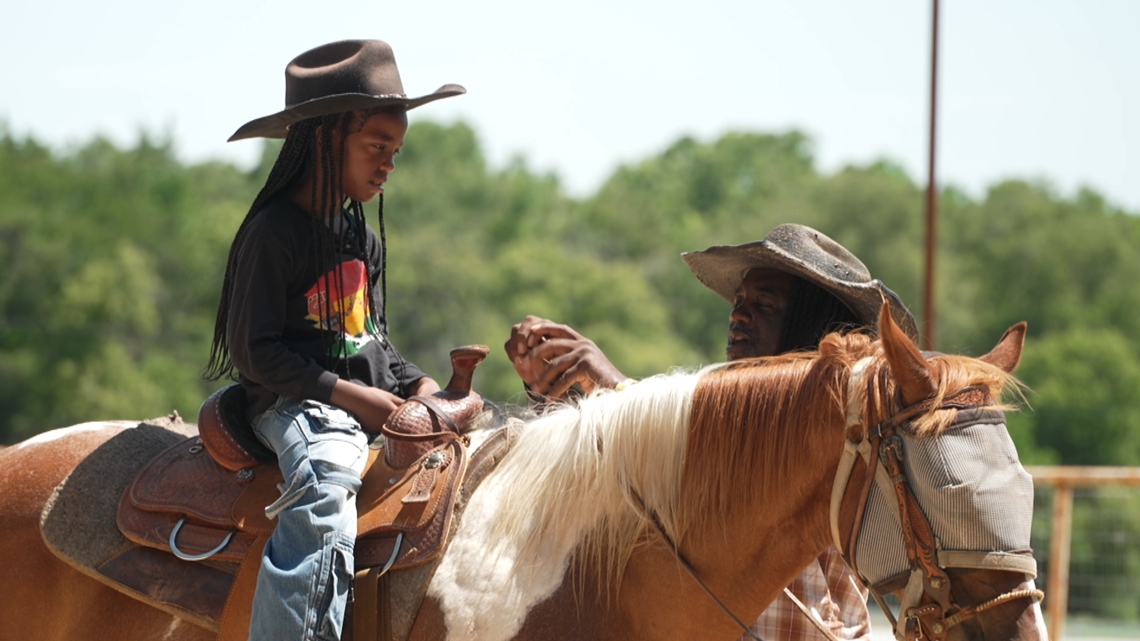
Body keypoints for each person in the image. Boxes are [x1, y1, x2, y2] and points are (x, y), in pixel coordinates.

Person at [505, 223, 919, 641]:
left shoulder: (822, 432)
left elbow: (694, 451)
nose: (739, 314)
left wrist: (612, 383)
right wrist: (549, 391)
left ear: (811, 324)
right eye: (740, 301)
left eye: (765, 302)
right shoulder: (743, 421)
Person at [202, 39, 464, 641]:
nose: (389, 165)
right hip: (289, 405)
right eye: (378, 146)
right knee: (325, 481)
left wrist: (417, 385)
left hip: (348, 401)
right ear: (325, 140)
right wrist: (354, 399)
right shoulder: (275, 232)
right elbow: (255, 351)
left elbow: (369, 341)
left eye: (395, 152)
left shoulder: (360, 240)